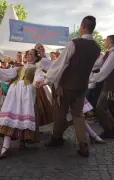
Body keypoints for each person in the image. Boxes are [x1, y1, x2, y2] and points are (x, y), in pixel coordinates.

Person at [37, 16, 101, 157]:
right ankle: (83, 145)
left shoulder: (74, 43)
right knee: (78, 115)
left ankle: (56, 138)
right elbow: (94, 66)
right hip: (82, 86)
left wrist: (47, 80)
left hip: (66, 86)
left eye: (80, 25)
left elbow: (61, 64)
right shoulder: (97, 47)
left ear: (83, 26)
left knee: (60, 113)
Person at [0, 49, 44, 159]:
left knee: (23, 115)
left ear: (35, 57)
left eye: (31, 54)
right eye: (27, 54)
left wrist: (38, 81)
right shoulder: (18, 67)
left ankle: (22, 140)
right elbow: (8, 73)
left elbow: (39, 77)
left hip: (27, 93)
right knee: (10, 115)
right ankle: (5, 147)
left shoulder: (36, 68)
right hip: (14, 92)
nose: (28, 56)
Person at [89, 35, 114, 139]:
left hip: (111, 85)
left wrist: (92, 78)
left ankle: (109, 130)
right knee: (103, 108)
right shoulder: (108, 54)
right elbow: (97, 64)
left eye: (105, 40)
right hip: (107, 84)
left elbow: (104, 70)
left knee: (100, 108)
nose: (104, 41)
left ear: (110, 41)